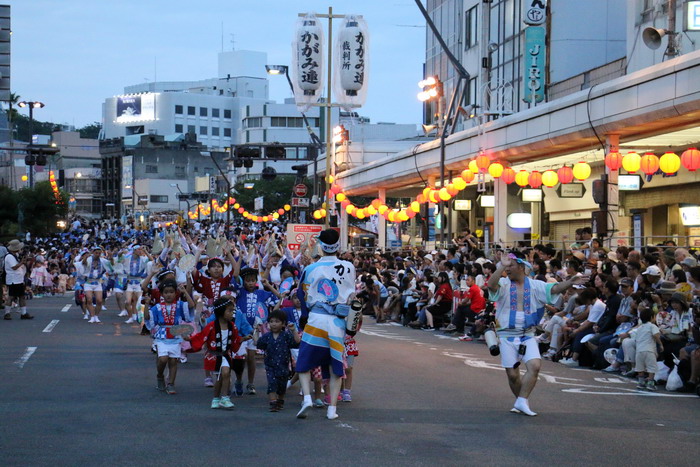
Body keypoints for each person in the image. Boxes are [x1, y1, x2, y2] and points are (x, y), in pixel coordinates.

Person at [486, 252, 583, 416]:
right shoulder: (503, 283)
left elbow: (555, 288)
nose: (508, 270)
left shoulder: (536, 285)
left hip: (527, 334)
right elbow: (491, 285)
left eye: (511, 266)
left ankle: (522, 401)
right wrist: (501, 265)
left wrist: (570, 282)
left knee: (535, 366)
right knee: (512, 375)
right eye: (506, 267)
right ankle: (521, 401)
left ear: (522, 267)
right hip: (506, 335)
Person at [295, 229, 356, 420]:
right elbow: (352, 296)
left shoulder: (310, 269)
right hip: (338, 321)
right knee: (336, 364)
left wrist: (303, 318)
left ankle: (307, 397)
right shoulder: (349, 267)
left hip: (316, 318)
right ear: (338, 245)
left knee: (304, 361)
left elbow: (301, 295)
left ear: (321, 245)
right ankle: (332, 409)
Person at [185, 297, 242, 410]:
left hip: (226, 354)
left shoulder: (232, 326)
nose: (232, 313)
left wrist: (242, 339)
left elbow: (235, 339)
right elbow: (201, 337)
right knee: (221, 377)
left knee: (225, 374)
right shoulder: (211, 326)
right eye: (229, 311)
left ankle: (224, 398)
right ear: (221, 312)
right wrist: (190, 339)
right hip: (214, 356)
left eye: (232, 310)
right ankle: (217, 399)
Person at [145, 279, 195, 394]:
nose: (169, 294)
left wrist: (185, 292)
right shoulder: (157, 307)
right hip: (162, 335)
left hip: (175, 334)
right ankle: (160, 375)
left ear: (175, 293)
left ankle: (171, 383)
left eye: (172, 292)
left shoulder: (180, 305)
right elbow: (148, 318)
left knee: (173, 361)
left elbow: (192, 305)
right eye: (166, 292)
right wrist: (147, 303)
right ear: (162, 294)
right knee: (163, 359)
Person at [255, 309, 301, 412]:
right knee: (272, 383)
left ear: (283, 323)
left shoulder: (286, 335)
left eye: (277, 321)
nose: (274, 324)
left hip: (283, 365)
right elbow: (258, 343)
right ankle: (273, 402)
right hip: (270, 365)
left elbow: (297, 342)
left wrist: (294, 331)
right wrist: (256, 331)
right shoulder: (267, 336)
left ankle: (280, 400)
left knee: (282, 385)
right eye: (271, 322)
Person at [633, 306, 663, 391]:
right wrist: (660, 344)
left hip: (639, 351)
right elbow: (656, 335)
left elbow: (636, 339)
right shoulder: (652, 326)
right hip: (649, 350)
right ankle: (650, 383)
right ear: (651, 317)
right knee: (651, 367)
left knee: (640, 367)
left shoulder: (639, 328)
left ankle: (641, 382)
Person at [3, 240, 33, 320]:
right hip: (13, 279)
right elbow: (14, 267)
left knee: (21, 296)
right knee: (11, 296)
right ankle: (7, 313)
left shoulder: (15, 255)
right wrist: (22, 262)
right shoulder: (9, 256)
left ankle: (24, 313)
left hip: (19, 279)